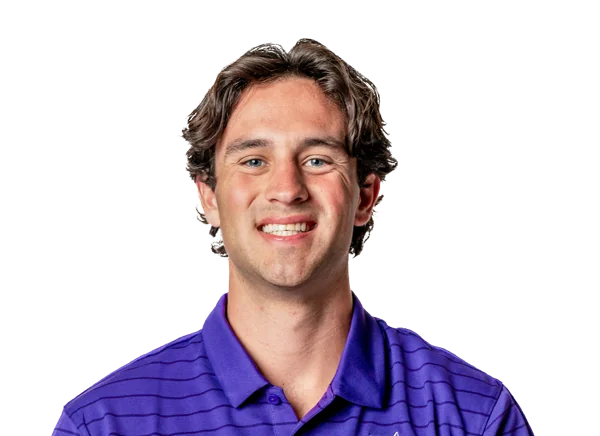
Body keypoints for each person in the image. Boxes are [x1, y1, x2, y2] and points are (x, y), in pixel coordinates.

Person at [52, 39, 534, 435]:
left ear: (366, 196)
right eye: (254, 161)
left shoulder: (476, 418)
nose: (286, 189)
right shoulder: (104, 425)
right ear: (209, 197)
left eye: (317, 160)